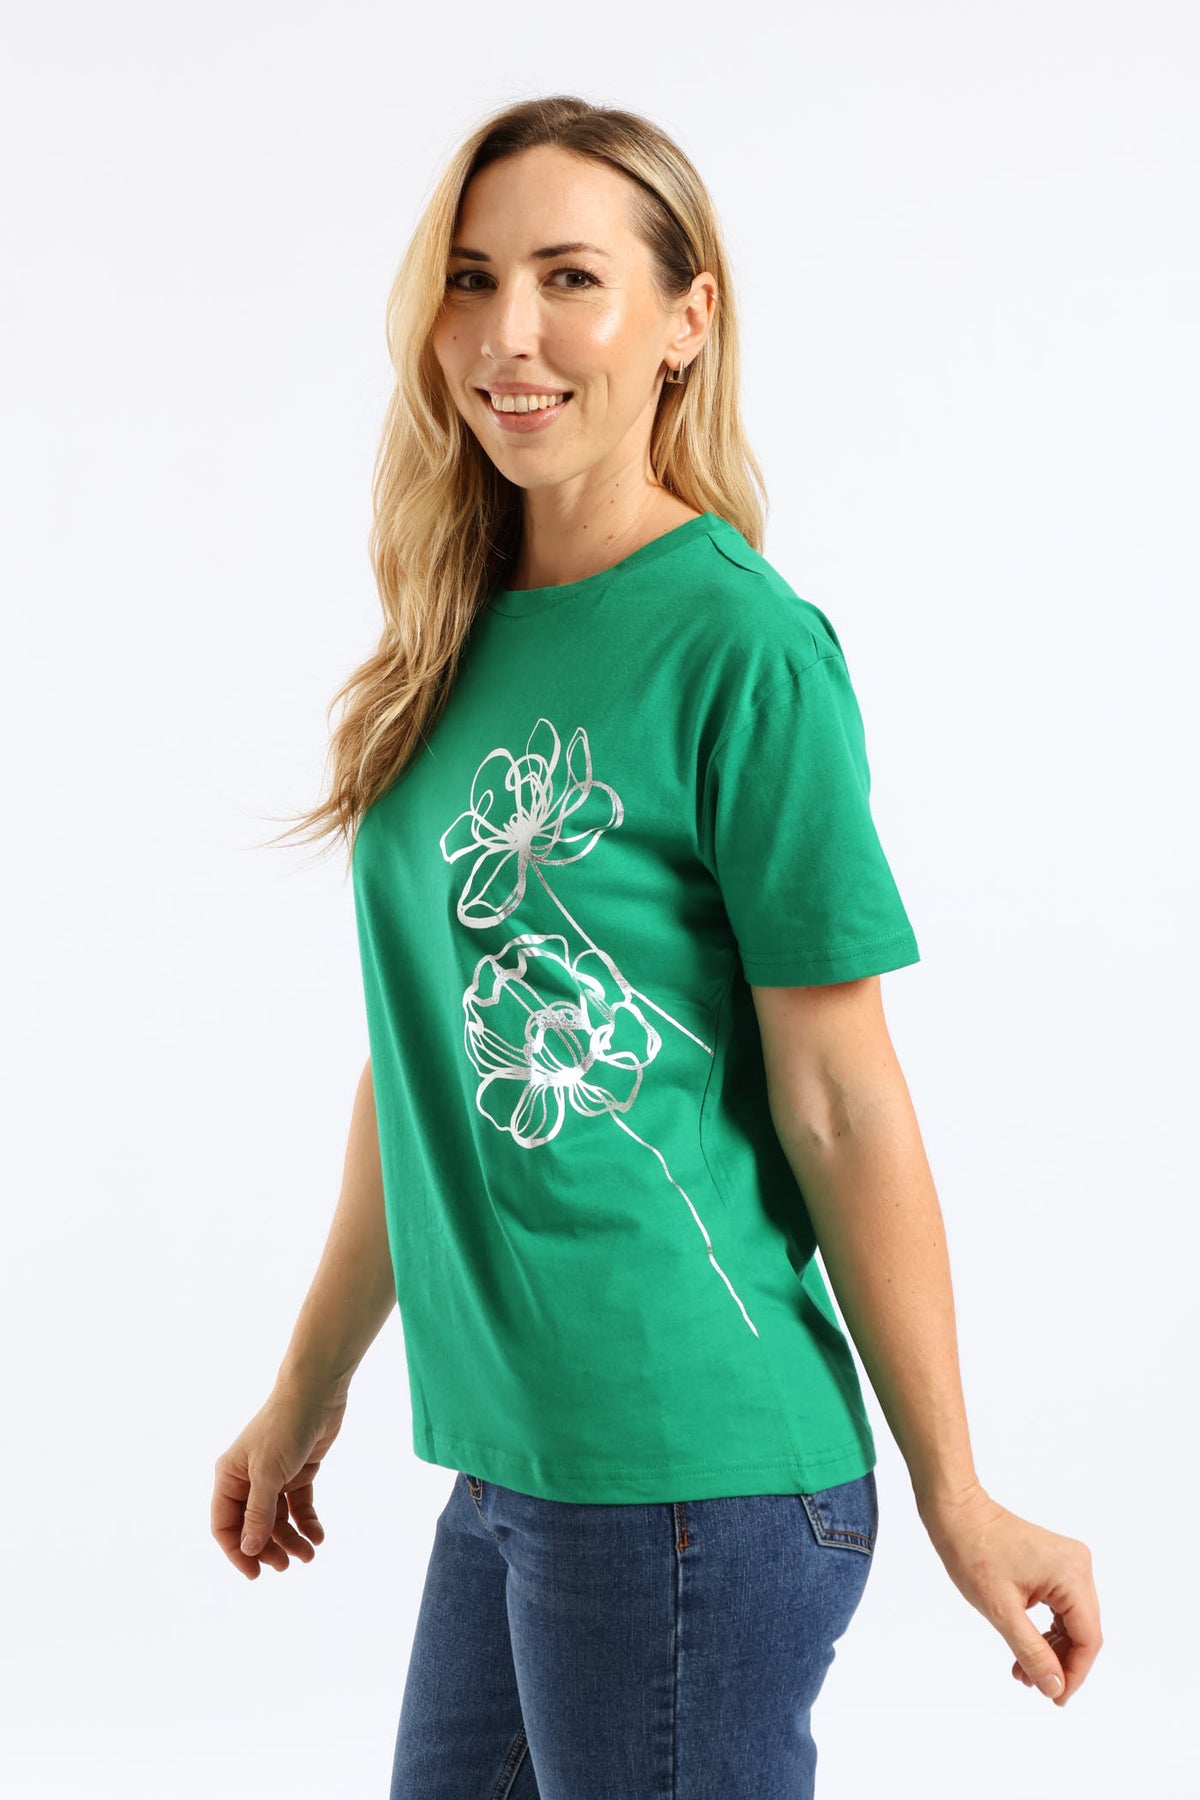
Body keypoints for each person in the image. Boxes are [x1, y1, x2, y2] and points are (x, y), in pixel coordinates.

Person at [211, 94, 1102, 1799]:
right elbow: (422, 1059)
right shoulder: (452, 638)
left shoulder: (741, 647)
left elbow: (840, 1098)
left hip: (689, 1480)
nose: (510, 335)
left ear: (686, 321)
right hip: (516, 1467)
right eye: (472, 279)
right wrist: (307, 1387)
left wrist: (958, 1491)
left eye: (571, 278)